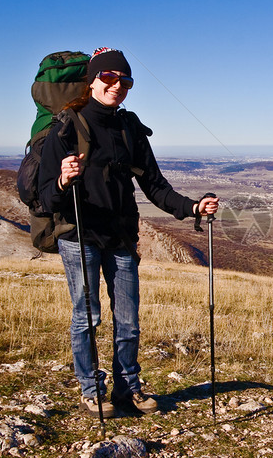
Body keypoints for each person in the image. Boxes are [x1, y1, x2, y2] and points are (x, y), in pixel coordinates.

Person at [38, 47, 219, 417]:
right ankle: (92, 391)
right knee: (87, 317)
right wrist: (62, 179)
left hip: (121, 235)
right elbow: (45, 195)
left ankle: (127, 388)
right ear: (92, 80)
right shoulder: (66, 126)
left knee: (128, 320)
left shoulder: (129, 128)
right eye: (109, 77)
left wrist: (193, 207)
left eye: (125, 80)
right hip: (80, 235)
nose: (117, 85)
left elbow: (155, 185)